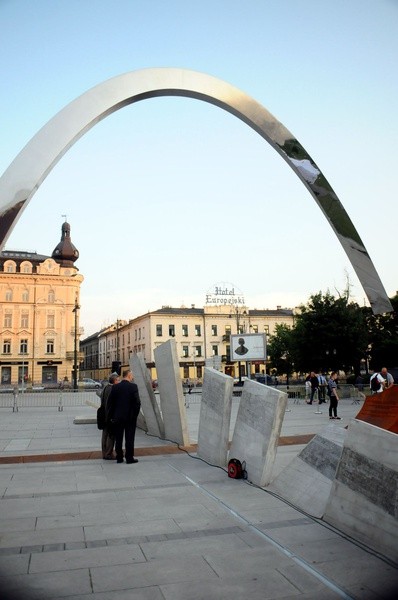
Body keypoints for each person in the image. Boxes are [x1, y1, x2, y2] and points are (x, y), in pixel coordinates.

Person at [107, 369, 141, 464]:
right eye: (132, 375)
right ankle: (129, 457)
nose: (133, 377)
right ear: (129, 375)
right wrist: (134, 415)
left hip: (118, 417)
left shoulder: (115, 387)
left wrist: (112, 416)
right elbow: (137, 403)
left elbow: (111, 404)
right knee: (130, 438)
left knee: (118, 438)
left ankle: (119, 457)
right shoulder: (133, 387)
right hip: (130, 417)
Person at [99, 372, 119, 460]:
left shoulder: (105, 388)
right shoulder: (113, 389)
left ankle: (104, 453)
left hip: (103, 414)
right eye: (118, 380)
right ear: (114, 381)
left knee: (105, 434)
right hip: (110, 415)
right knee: (111, 435)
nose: (119, 381)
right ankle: (109, 453)